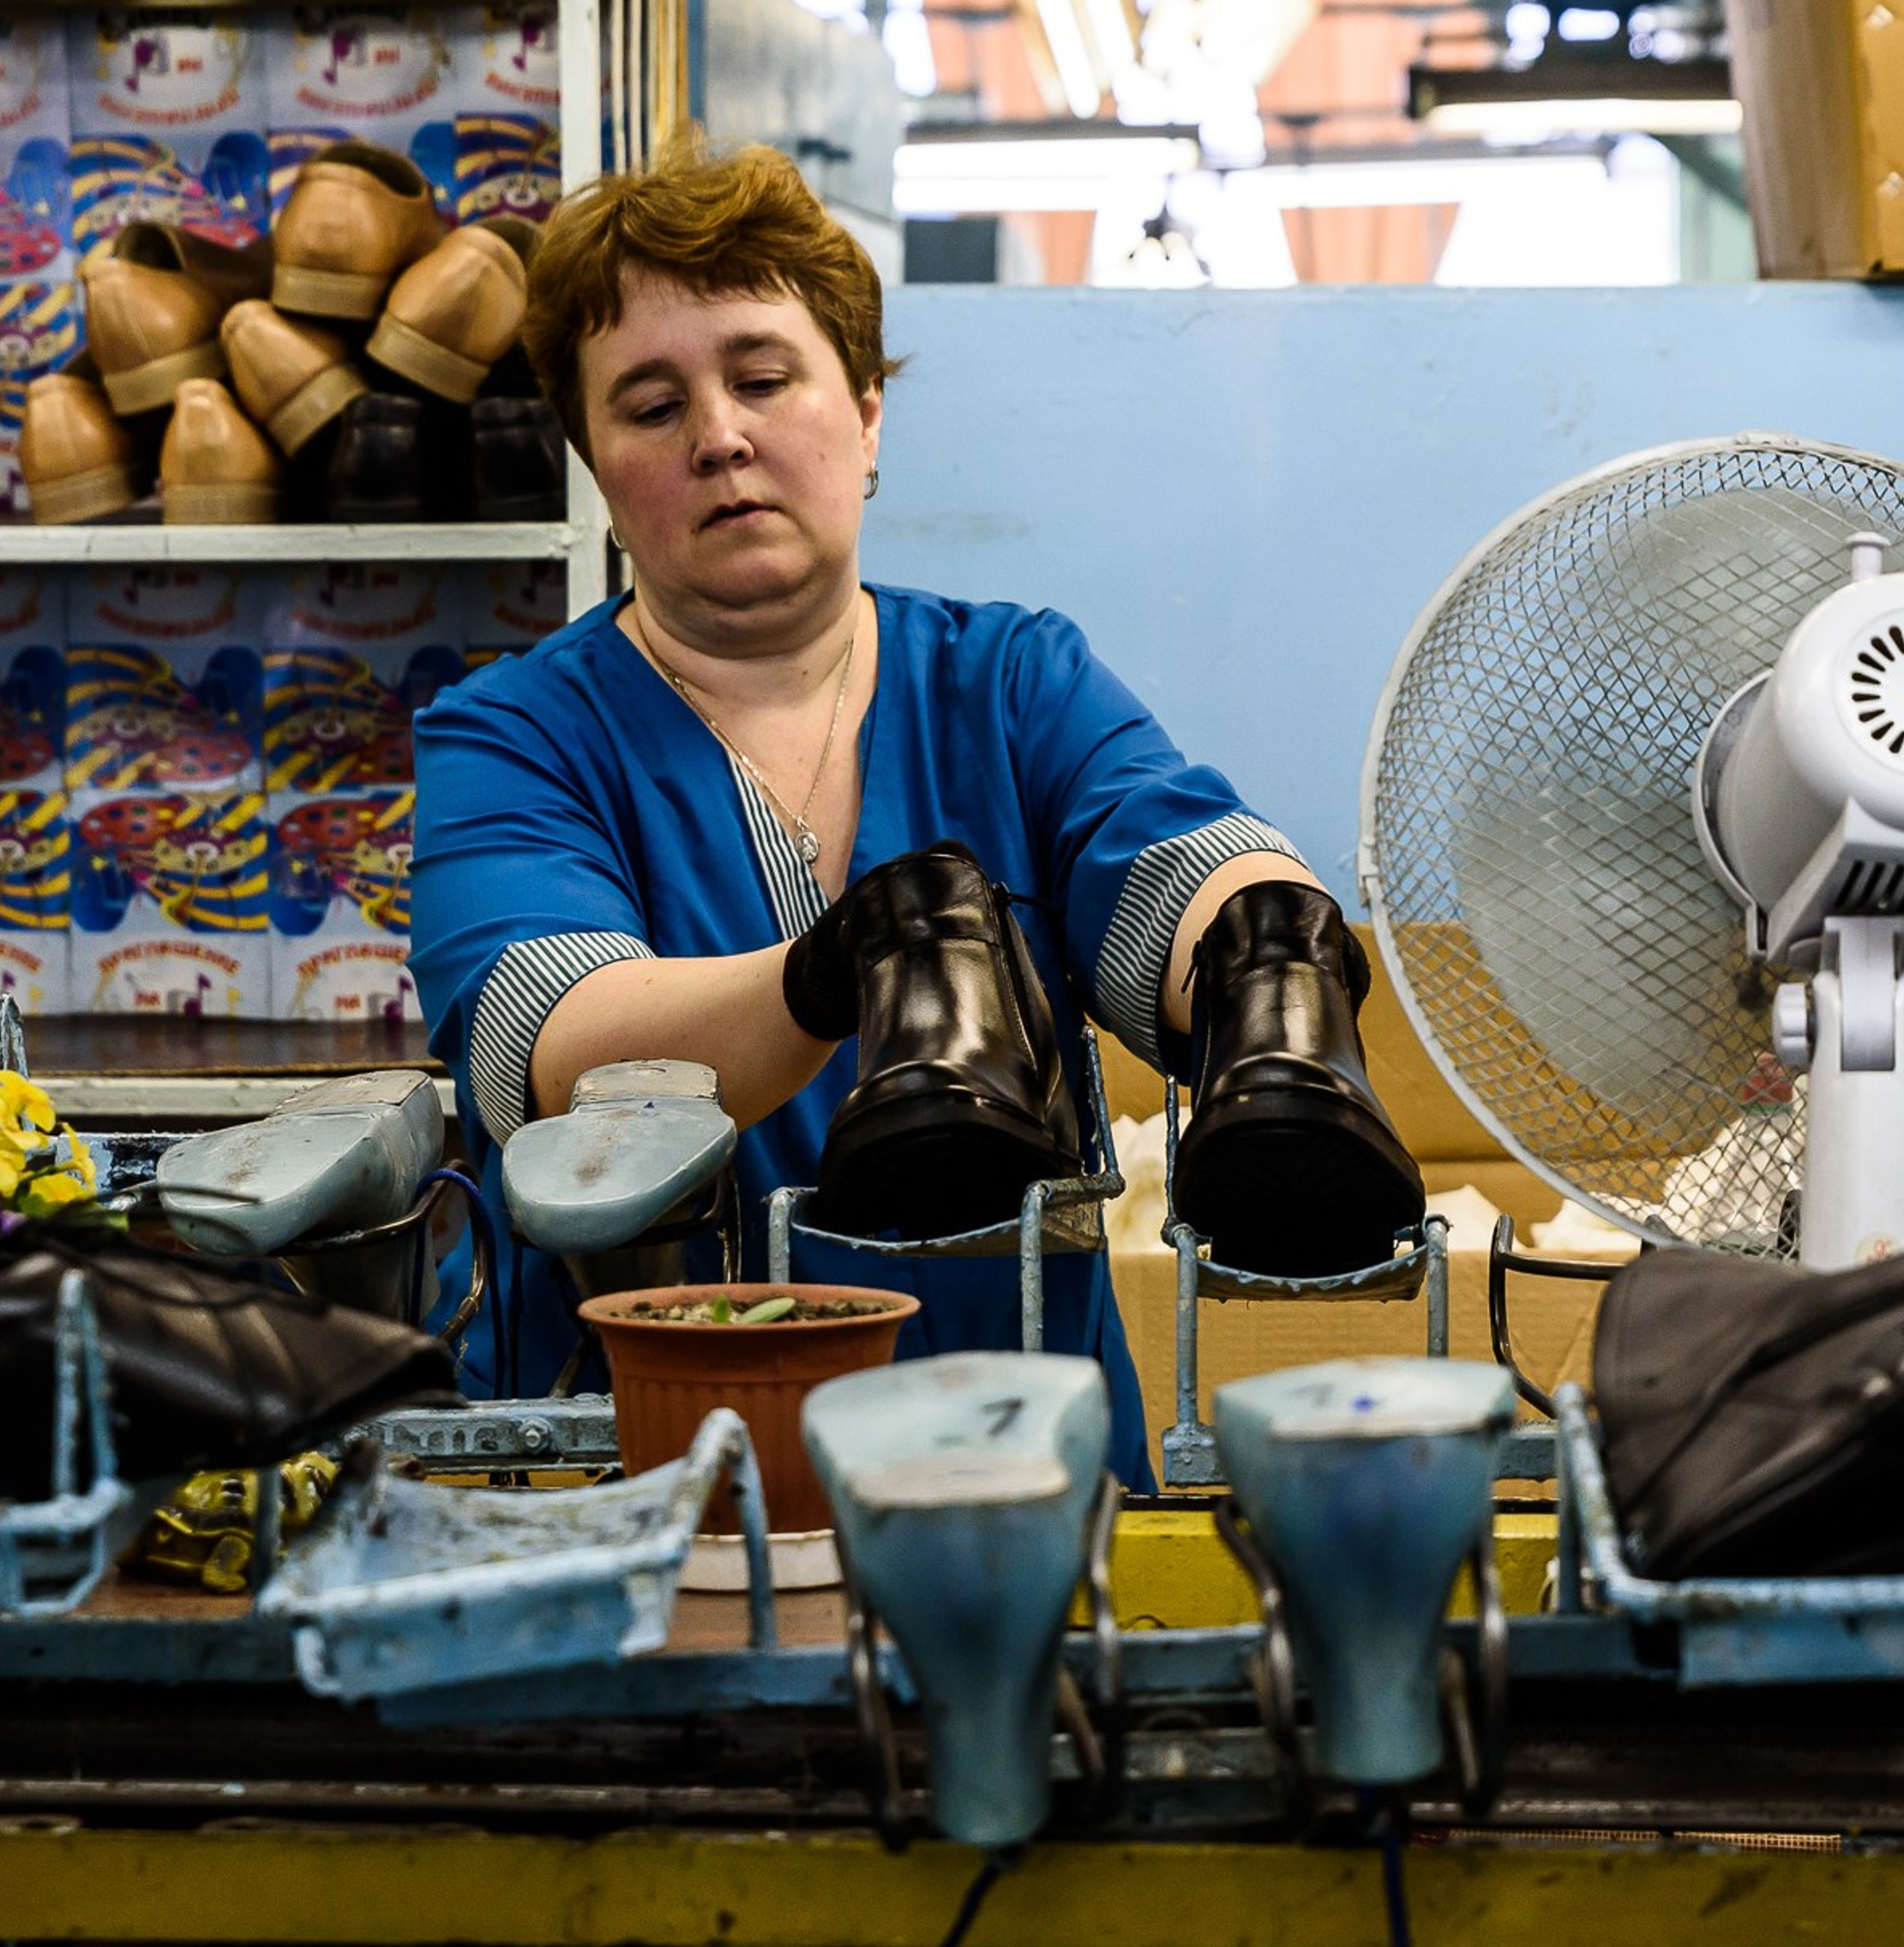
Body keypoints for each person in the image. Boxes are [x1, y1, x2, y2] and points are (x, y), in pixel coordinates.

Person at [407, 140, 1421, 1489]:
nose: (720, 436)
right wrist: (831, 971)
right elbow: (553, 1043)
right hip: (646, 1467)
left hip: (1015, 1465)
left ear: (868, 415)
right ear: (596, 462)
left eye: (764, 378)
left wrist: (1264, 951)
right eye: (651, 407)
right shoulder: (513, 734)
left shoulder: (1011, 680)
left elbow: (1166, 859)